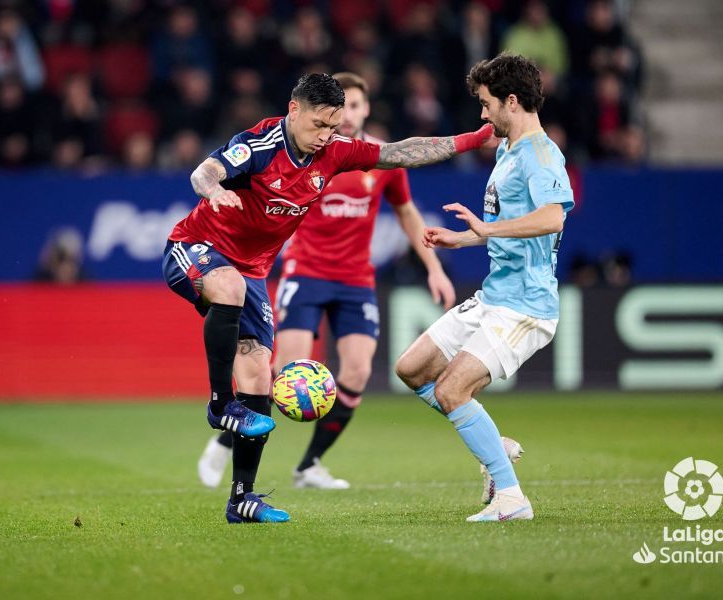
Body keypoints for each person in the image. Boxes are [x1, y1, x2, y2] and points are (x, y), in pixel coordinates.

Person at [162, 73, 494, 524]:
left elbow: (400, 152)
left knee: (260, 371)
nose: (326, 137)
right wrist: (216, 191)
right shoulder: (260, 143)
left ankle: (243, 497)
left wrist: (472, 140)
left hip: (252, 271)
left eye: (333, 127)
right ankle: (221, 404)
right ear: (293, 109)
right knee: (232, 290)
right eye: (320, 125)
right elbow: (205, 171)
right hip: (194, 247)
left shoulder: (335, 152)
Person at [394, 54, 575, 523]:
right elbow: (504, 224)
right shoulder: (507, 151)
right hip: (495, 296)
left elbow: (553, 217)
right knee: (412, 368)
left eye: (485, 103)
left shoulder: (541, 154)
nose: (482, 115)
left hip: (525, 307)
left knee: (454, 391)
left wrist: (487, 231)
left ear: (511, 102)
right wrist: (466, 237)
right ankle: (493, 445)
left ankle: (512, 499)